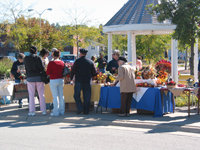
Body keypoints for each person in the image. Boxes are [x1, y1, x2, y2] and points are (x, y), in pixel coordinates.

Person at [70, 48, 96, 114]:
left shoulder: (77, 61)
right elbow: (95, 72)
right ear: (86, 54)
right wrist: (91, 76)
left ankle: (80, 108)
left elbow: (73, 70)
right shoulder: (91, 62)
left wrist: (71, 78)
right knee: (87, 96)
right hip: (87, 80)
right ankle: (86, 111)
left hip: (78, 80)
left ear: (81, 53)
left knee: (76, 95)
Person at [24, 46, 46, 116]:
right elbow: (42, 68)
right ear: (36, 51)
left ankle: (32, 111)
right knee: (41, 94)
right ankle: (43, 110)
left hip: (30, 78)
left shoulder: (26, 58)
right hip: (39, 77)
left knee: (31, 95)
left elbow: (26, 67)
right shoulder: (38, 58)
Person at [46, 50, 65, 116]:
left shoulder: (51, 63)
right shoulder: (62, 62)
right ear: (59, 55)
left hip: (53, 79)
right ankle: (61, 111)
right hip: (61, 79)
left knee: (55, 96)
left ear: (53, 55)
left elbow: (48, 73)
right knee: (61, 96)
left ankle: (55, 112)